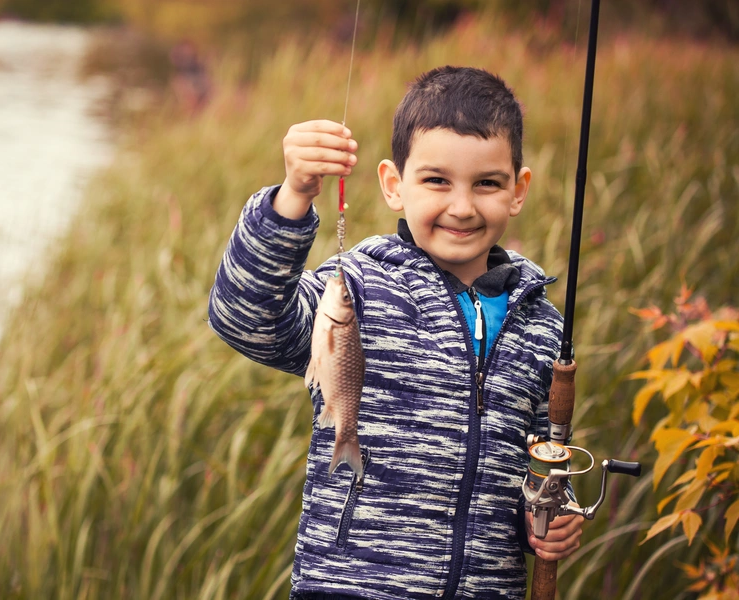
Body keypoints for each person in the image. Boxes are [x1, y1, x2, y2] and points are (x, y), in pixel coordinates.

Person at [208, 66, 583, 599]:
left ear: (517, 190)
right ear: (393, 185)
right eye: (436, 180)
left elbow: (542, 460)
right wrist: (292, 196)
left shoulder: (542, 326)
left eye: (487, 183)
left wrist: (546, 518)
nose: (462, 207)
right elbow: (245, 318)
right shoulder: (360, 288)